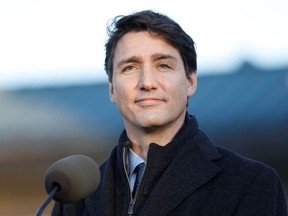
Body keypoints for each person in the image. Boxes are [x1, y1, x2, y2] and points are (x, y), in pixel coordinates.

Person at [52, 10, 287, 216]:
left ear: (190, 81)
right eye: (130, 67)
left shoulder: (250, 183)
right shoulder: (75, 197)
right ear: (112, 89)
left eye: (163, 65)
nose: (147, 82)